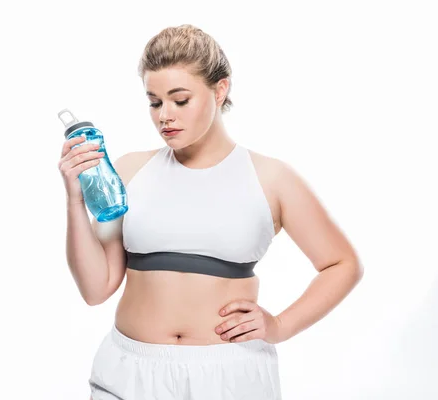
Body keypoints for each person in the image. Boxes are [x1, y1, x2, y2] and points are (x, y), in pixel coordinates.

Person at [58, 24, 363, 400]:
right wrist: (74, 199)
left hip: (229, 376)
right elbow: (95, 288)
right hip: (129, 372)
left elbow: (342, 264)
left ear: (220, 90)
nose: (164, 116)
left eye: (180, 100)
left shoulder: (270, 178)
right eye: (154, 102)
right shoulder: (131, 171)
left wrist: (280, 325)